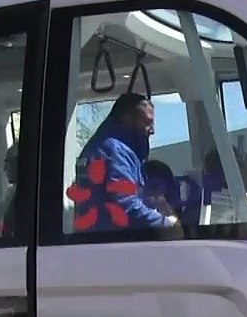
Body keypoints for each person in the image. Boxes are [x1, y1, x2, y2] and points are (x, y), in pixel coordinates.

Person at [70, 93, 178, 230]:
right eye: (147, 122)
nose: (153, 131)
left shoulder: (101, 146)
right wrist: (167, 223)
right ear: (127, 119)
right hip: (110, 243)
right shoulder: (116, 151)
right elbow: (125, 204)